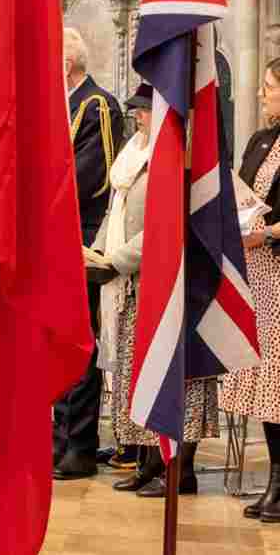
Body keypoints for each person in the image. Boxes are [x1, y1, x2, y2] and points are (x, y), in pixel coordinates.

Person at [98, 84, 216, 497]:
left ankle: (179, 469)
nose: (138, 118)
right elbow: (118, 209)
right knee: (138, 372)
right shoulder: (133, 155)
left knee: (175, 376)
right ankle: (149, 461)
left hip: (168, 284)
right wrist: (96, 252)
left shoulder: (177, 158)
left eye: (145, 111)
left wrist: (118, 259)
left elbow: (167, 224)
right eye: (137, 112)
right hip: (133, 282)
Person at [54, 27, 127, 481]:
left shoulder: (95, 104)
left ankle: (79, 445)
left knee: (79, 343)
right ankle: (58, 438)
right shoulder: (58, 106)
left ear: (68, 62)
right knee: (57, 341)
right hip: (54, 237)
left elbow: (91, 173)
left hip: (80, 237)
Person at [223, 57, 280, 521]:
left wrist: (269, 232)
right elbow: (243, 190)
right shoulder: (262, 138)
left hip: (277, 263)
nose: (262, 95)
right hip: (256, 270)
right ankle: (276, 480)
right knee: (265, 383)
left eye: (268, 86)